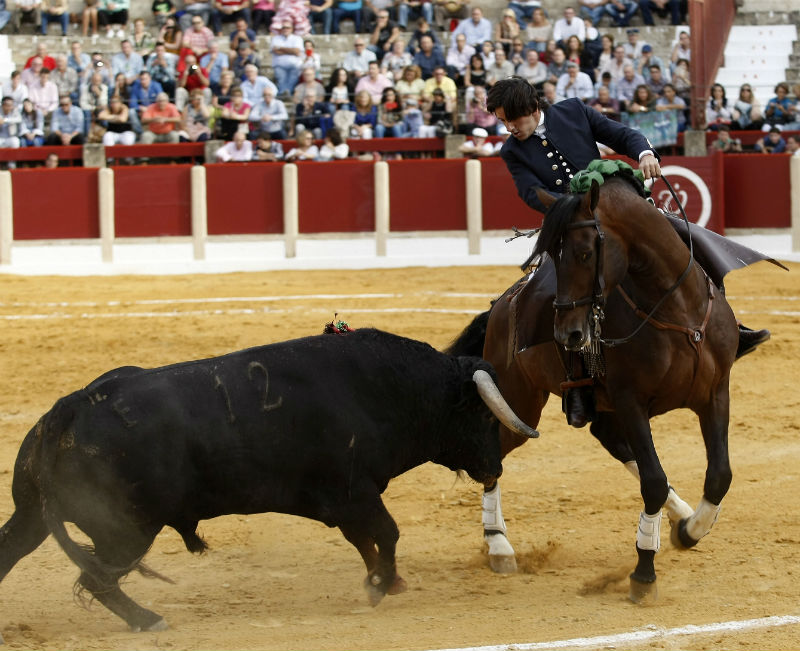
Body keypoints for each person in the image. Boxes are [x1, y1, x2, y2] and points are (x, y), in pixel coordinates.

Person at [486, 76, 768, 420]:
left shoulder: (572, 111)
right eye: (503, 122)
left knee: (690, 241)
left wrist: (645, 152)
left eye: (513, 119)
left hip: (623, 210)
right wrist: (573, 211)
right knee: (556, 294)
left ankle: (728, 328)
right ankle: (578, 384)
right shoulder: (512, 150)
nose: (509, 128)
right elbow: (530, 191)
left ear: (532, 109)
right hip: (574, 228)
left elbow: (622, 135)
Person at [271, 21, 304, 97]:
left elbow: (297, 51)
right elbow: (275, 51)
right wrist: (291, 51)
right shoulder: (275, 38)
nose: (285, 29)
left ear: (292, 29)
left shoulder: (297, 38)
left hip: (294, 64)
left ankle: (286, 93)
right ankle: (285, 93)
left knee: (293, 78)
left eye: (288, 27)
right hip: (279, 64)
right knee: (281, 79)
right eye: (283, 27)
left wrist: (280, 48)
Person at [0, 96, 25, 160]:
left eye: (11, 105)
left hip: (10, 137)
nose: (10, 107)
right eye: (7, 105)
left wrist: (5, 120)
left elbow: (19, 119)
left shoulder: (15, 111)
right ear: (3, 105)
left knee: (15, 141)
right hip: (0, 137)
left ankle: (12, 163)